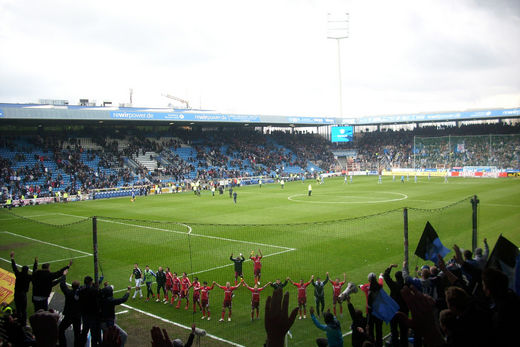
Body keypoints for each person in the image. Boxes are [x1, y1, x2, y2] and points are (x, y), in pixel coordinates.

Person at [383, 264, 408, 347]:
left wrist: (390, 267)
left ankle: (395, 344)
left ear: (396, 278)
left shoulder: (394, 285)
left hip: (393, 311)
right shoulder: (406, 286)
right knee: (404, 331)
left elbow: (386, 276)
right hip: (404, 311)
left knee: (394, 331)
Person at [10, 251, 35, 325]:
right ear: (27, 271)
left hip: (17, 293)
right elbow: (34, 273)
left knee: (18, 308)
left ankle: (18, 320)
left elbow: (14, 267)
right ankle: (23, 323)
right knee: (24, 310)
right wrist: (35, 264)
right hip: (23, 294)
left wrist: (12, 258)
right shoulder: (28, 277)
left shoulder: (18, 274)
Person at [58, 269, 81, 347]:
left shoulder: (68, 293)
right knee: (77, 333)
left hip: (69, 315)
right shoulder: (82, 294)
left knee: (60, 330)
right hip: (77, 316)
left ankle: (63, 345)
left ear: (71, 286)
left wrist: (64, 275)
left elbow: (62, 285)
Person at [78, 276, 101, 346]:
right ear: (91, 282)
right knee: (94, 333)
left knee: (84, 331)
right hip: (92, 315)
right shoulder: (93, 291)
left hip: (84, 313)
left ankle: (81, 344)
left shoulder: (81, 289)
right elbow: (99, 294)